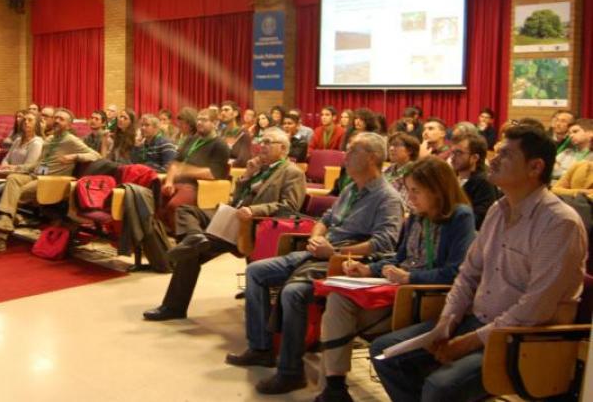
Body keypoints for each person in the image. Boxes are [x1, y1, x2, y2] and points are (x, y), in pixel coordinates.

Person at [370, 125, 587, 402]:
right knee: (386, 353)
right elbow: (468, 274)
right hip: (476, 321)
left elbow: (536, 307)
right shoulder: (498, 210)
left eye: (505, 155)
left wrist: (470, 341)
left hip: (521, 339)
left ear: (535, 167)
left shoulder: (559, 223)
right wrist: (446, 321)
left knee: (440, 387)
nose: (492, 159)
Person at [226, 133, 404, 394]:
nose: (346, 155)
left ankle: (290, 372)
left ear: (373, 158)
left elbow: (384, 243)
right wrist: (317, 236)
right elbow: (326, 217)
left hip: (347, 262)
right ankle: (261, 347)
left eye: (353, 151)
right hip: (318, 252)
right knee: (256, 271)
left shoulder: (387, 198)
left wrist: (336, 250)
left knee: (293, 292)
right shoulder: (351, 188)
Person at [318, 157, 475, 402]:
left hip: (427, 298)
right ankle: (334, 386)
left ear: (437, 191)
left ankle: (331, 389)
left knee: (339, 318)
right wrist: (369, 270)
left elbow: (456, 271)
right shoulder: (415, 216)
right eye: (408, 190)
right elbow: (399, 258)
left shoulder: (459, 216)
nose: (409, 198)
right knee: (338, 299)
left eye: (416, 191)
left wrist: (411, 277)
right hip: (399, 291)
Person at [143, 128, 305, 320]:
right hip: (231, 215)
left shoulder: (292, 173)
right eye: (262, 141)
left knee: (190, 253)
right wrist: (246, 177)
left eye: (269, 142)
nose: (263, 145)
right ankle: (194, 237)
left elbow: (289, 207)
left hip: (252, 225)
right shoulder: (258, 167)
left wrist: (254, 211)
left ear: (284, 148)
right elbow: (237, 198)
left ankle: (174, 307)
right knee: (186, 210)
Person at [0, 108, 101, 254]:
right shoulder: (50, 139)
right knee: (13, 179)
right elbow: (39, 163)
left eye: (61, 119)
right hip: (38, 175)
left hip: (52, 181)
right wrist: (17, 168)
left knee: (14, 193)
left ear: (69, 125)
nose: (57, 121)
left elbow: (96, 155)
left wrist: (75, 157)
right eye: (56, 118)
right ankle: (6, 222)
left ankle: (3, 232)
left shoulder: (71, 140)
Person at [159, 108, 230, 231]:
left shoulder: (220, 145)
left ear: (215, 123)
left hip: (198, 187)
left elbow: (212, 173)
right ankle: (162, 238)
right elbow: (175, 163)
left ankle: (185, 239)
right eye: (198, 119)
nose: (199, 123)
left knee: (175, 206)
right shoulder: (191, 139)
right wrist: (169, 182)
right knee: (153, 199)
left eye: (204, 120)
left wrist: (184, 171)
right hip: (176, 182)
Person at [0, 111, 44, 218]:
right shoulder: (18, 140)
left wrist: (13, 167)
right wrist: (4, 165)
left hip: (21, 177)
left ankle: (1, 218)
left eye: (30, 120)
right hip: (6, 173)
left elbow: (30, 166)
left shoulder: (37, 143)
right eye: (25, 120)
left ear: (37, 124)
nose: (26, 122)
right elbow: (6, 158)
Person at [449, 133, 498, 228]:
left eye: (459, 153)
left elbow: (479, 220)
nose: (453, 157)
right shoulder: (452, 177)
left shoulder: (483, 182)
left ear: (474, 158)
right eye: (452, 152)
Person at [384, 132, 420, 205]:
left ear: (410, 150)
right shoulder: (387, 170)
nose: (391, 148)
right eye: (390, 145)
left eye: (396, 145)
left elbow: (408, 203)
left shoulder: (415, 171)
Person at [219, 100, 251, 168]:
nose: (223, 113)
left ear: (235, 113)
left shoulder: (244, 134)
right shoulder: (221, 133)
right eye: (222, 110)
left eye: (226, 110)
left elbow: (243, 160)